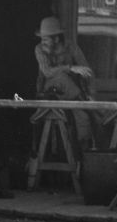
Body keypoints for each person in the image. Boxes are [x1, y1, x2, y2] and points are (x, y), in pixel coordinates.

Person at [34, 16, 100, 149]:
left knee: (83, 118)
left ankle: (84, 154)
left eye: (46, 39)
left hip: (72, 95)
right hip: (50, 91)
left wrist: (91, 94)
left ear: (56, 39)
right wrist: (70, 68)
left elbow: (87, 71)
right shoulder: (39, 49)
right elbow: (47, 72)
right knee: (62, 77)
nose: (43, 42)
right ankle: (83, 102)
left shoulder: (71, 48)